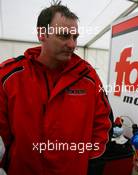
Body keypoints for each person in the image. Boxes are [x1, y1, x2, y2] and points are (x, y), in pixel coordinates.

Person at [0, 2, 112, 175]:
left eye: (75, 37)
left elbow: (102, 125)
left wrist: (93, 164)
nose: (72, 44)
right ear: (41, 34)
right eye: (64, 36)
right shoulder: (9, 76)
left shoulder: (88, 77)